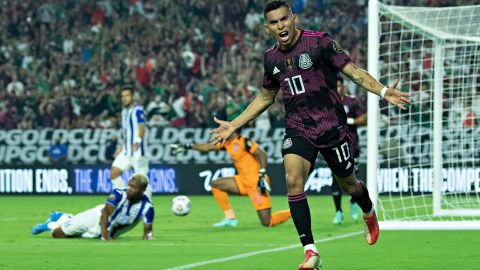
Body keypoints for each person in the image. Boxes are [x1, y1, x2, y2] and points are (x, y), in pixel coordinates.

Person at [209, 1, 412, 269]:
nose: (280, 25)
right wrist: (235, 124)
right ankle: (310, 251)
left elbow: (352, 72)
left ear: (294, 18)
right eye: (274, 22)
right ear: (267, 27)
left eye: (284, 19)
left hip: (331, 127)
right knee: (293, 179)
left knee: (349, 186)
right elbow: (267, 96)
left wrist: (384, 92)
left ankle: (368, 211)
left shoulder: (319, 42)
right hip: (298, 127)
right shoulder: (271, 58)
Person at [170, 129, 291, 228]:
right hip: (242, 182)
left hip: (256, 184)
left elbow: (262, 154)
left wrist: (262, 174)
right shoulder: (227, 143)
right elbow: (208, 147)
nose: (221, 131)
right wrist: (187, 146)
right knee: (215, 184)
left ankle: (294, 212)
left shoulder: (244, 142)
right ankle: (230, 218)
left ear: (232, 130)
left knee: (267, 222)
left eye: (224, 129)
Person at [31, 173, 154, 241]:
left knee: (74, 236)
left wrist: (148, 238)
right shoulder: (118, 194)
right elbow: (105, 214)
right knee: (57, 234)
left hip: (105, 231)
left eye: (134, 187)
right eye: (130, 185)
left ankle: (69, 218)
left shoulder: (147, 207)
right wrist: (105, 237)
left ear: (143, 190)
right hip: (94, 218)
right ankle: (55, 221)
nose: (130, 189)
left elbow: (147, 232)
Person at [331, 77, 367, 225]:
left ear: (343, 87)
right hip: (333, 146)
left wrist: (347, 121)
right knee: (335, 181)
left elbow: (364, 119)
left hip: (352, 147)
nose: (336, 89)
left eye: (338, 86)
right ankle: (338, 211)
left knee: (352, 180)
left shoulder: (351, 101)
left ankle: (353, 202)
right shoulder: (327, 102)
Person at [110, 85, 151, 198]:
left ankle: (147, 206)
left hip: (138, 151)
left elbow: (142, 127)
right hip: (126, 151)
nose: (124, 98)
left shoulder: (138, 110)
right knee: (114, 173)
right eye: (122, 96)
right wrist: (120, 148)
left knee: (142, 181)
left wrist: (138, 140)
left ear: (132, 97)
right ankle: (126, 198)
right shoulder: (124, 112)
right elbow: (126, 133)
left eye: (127, 95)